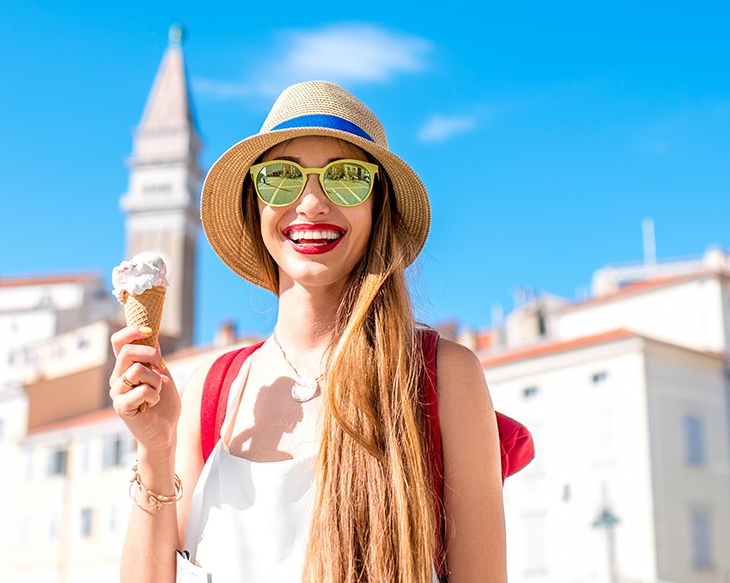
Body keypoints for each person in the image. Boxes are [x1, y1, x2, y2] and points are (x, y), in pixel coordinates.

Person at [111, 81, 507, 582]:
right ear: (257, 205)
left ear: (376, 206)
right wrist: (155, 446)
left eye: (346, 178)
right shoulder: (209, 391)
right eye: (281, 178)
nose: (312, 202)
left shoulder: (442, 376)